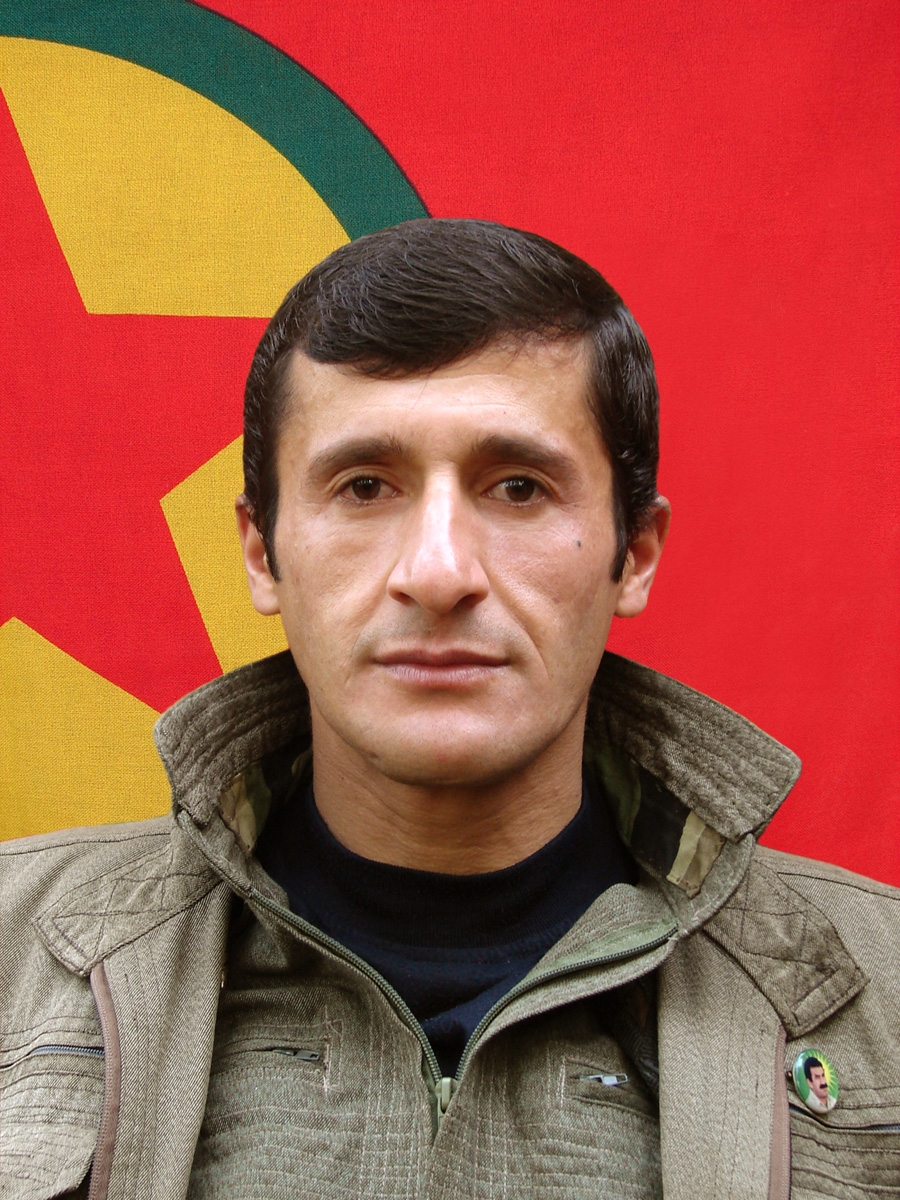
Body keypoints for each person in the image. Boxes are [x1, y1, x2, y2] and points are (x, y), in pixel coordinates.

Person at [2, 219, 898, 1200]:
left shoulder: (880, 1000)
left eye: (518, 487)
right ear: (263, 553)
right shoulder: (15, 957)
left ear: (634, 554)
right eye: (364, 486)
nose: (438, 573)